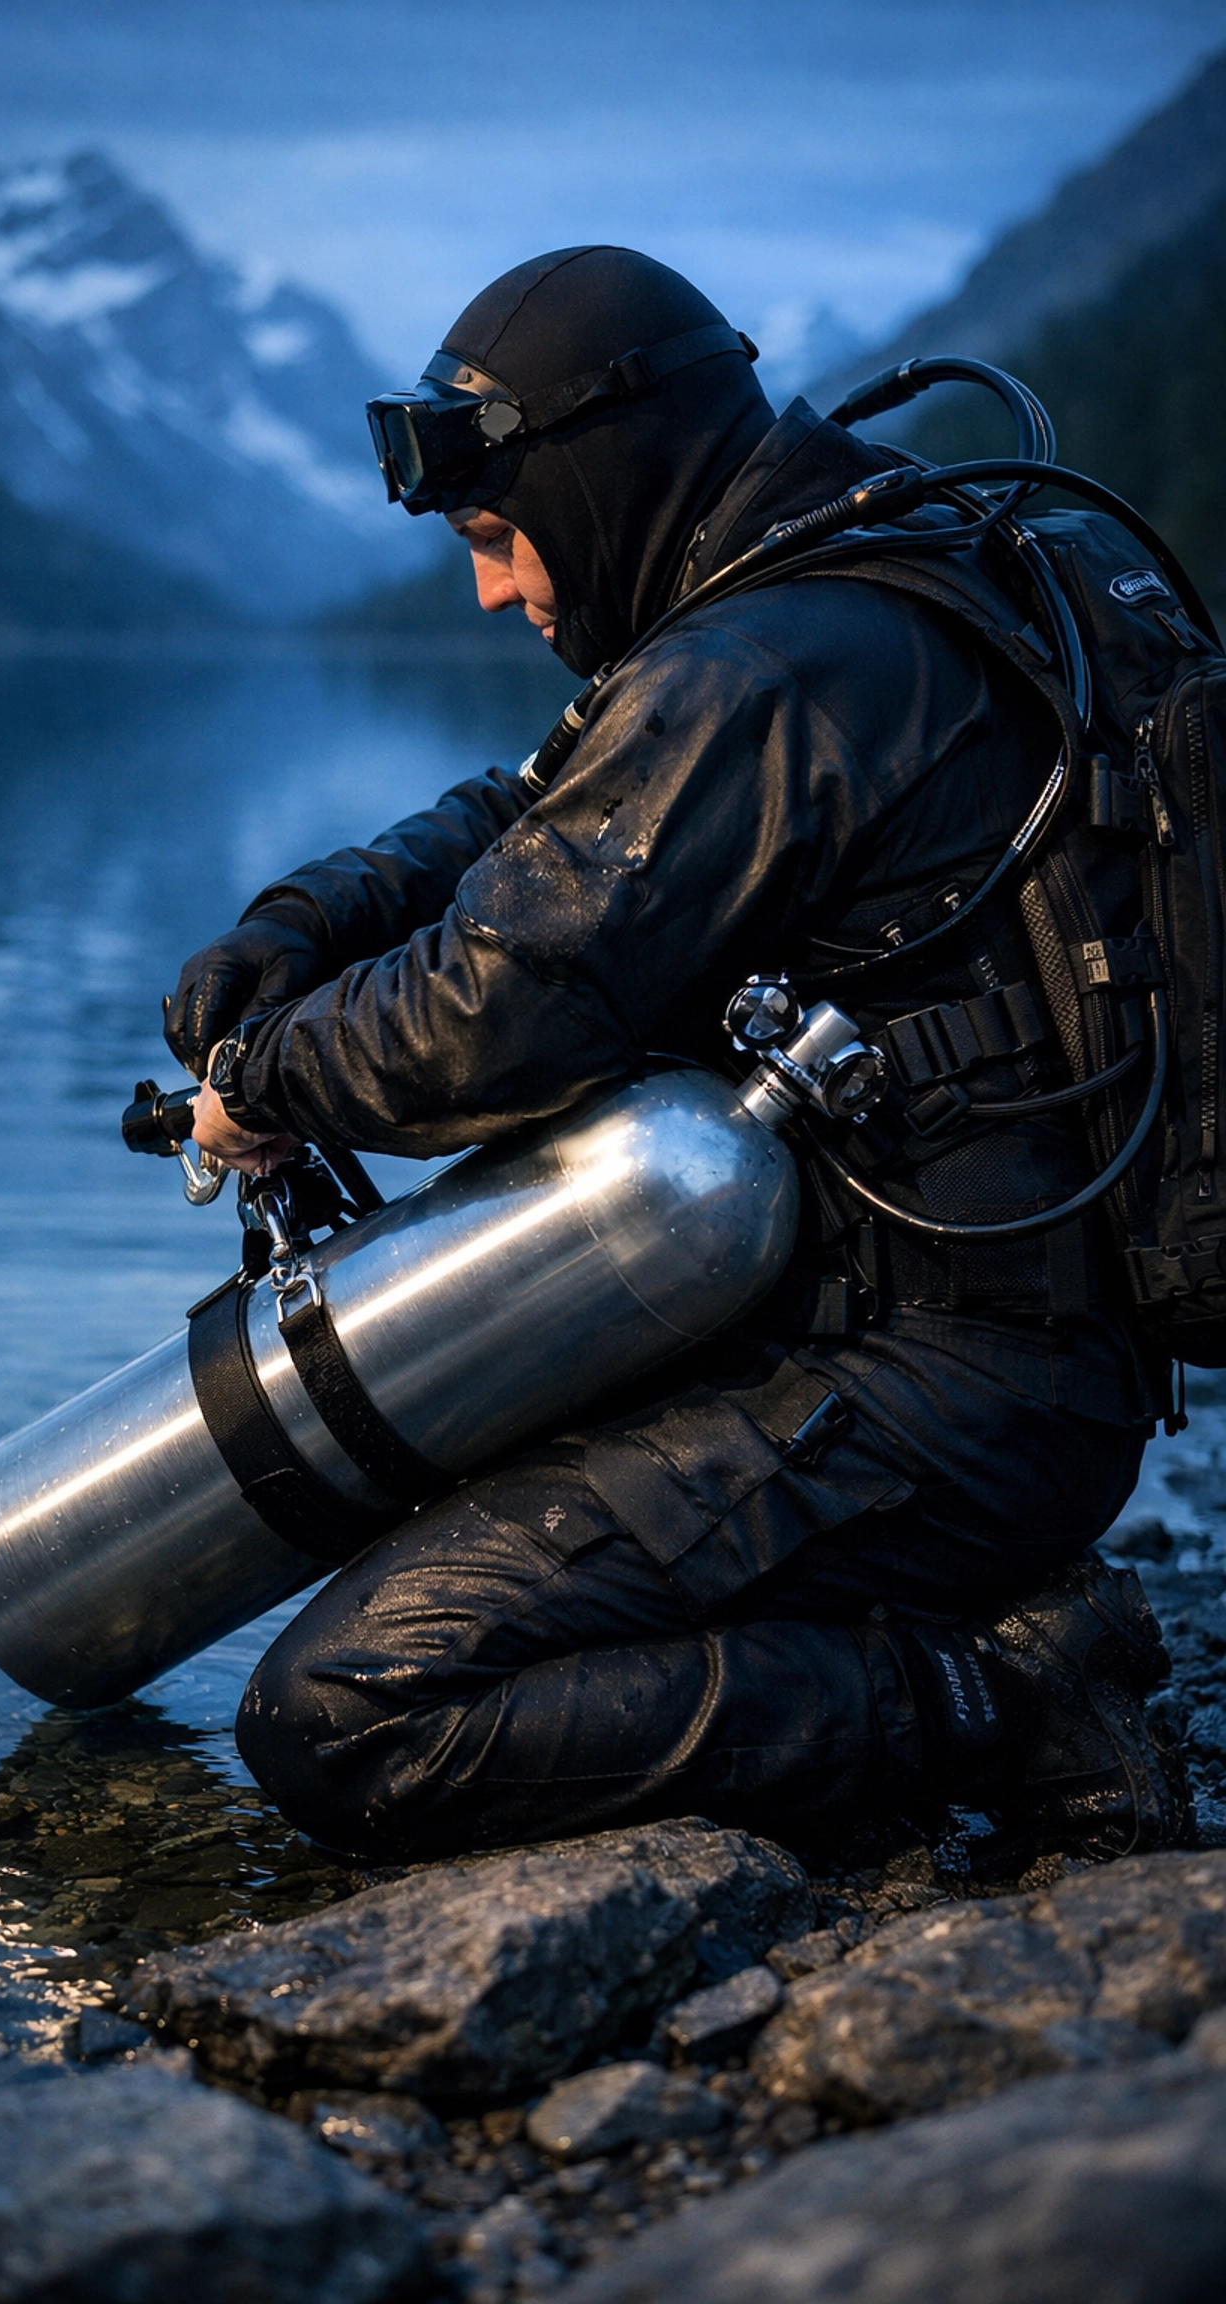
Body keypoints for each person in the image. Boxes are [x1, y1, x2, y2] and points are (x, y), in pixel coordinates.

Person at [164, 245, 1192, 1865]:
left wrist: (264, 1080)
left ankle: (1001, 1695)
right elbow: (544, 806)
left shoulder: (766, 665)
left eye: (496, 536)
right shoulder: (872, 567)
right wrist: (315, 915)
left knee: (348, 1712)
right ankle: (960, 1624)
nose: (492, 591)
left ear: (599, 479)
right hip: (1015, 1357)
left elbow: (490, 1017)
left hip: (944, 1391)